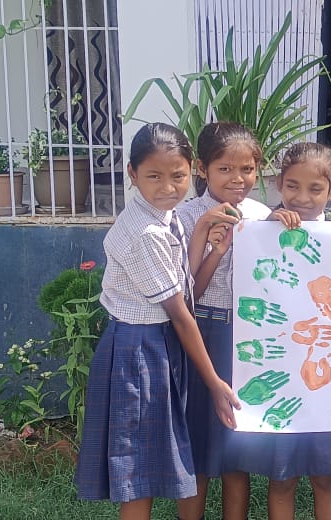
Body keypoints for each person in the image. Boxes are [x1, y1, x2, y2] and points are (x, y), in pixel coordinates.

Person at [75, 122, 241, 520]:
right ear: (132, 174)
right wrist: (214, 383)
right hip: (137, 350)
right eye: (154, 176)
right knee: (136, 470)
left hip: (156, 345)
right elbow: (181, 314)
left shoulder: (169, 218)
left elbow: (187, 288)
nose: (168, 187)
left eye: (177, 176)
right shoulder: (146, 232)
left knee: (146, 462)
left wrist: (209, 243)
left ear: (192, 171)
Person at [256, 141, 331, 520]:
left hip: (329, 375)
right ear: (279, 185)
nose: (302, 198)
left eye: (315, 188)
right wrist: (267, 226)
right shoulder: (262, 232)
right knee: (282, 477)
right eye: (292, 186)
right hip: (282, 372)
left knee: (326, 475)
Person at [176, 122, 273, 520]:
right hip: (202, 332)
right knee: (197, 444)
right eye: (225, 169)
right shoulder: (184, 218)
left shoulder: (264, 216)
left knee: (237, 444)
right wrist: (212, 246)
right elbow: (187, 297)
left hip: (247, 337)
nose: (238, 179)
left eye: (247, 169)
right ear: (202, 169)